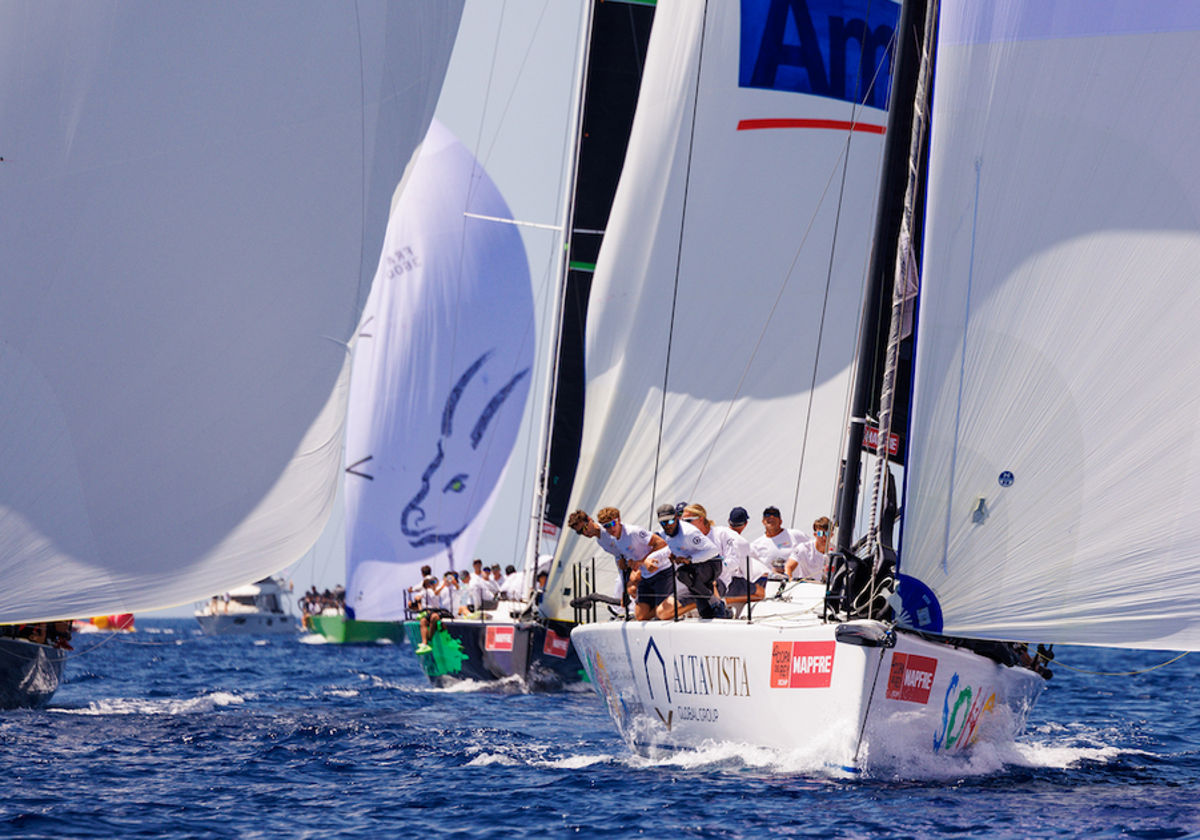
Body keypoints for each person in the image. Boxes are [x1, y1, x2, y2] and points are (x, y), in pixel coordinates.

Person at [568, 507, 668, 620]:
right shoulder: (600, 540)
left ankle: (638, 611)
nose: (585, 532)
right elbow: (620, 552)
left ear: (590, 520)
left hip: (642, 561)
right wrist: (621, 561)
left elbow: (630, 544)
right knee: (623, 589)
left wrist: (637, 563)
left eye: (585, 527)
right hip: (627, 563)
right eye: (580, 532)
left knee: (630, 587)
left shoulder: (609, 530)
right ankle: (632, 612)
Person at [656, 502, 727, 620]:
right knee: (705, 612)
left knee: (682, 574)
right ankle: (720, 611)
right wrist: (673, 555)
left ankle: (715, 602)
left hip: (712, 564)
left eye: (670, 521)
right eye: (664, 522)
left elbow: (713, 550)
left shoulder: (689, 532)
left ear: (676, 518)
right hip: (696, 568)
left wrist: (690, 560)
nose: (668, 525)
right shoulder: (664, 534)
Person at [751, 505, 813, 577]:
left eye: (775, 515)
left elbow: (814, 548)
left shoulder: (795, 535)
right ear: (763, 522)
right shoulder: (755, 545)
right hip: (770, 585)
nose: (771, 517)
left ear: (780, 521)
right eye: (767, 515)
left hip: (795, 585)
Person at [785, 516, 831, 581]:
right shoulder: (804, 548)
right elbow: (788, 567)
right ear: (815, 534)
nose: (824, 537)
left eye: (827, 534)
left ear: (832, 535)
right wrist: (789, 582)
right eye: (820, 533)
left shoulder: (835, 552)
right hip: (806, 587)